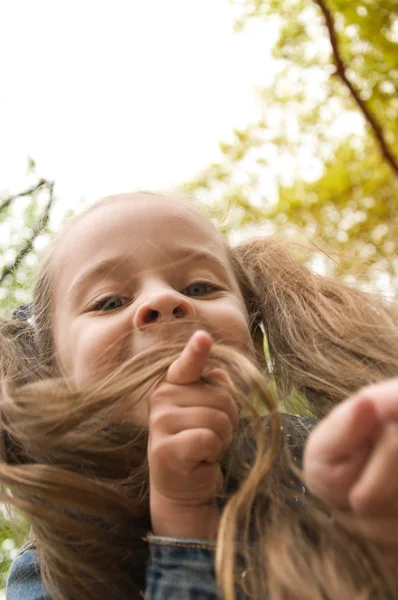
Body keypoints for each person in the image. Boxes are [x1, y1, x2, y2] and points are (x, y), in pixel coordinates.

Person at [0, 192, 397, 600]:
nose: (164, 300)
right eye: (110, 302)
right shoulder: (53, 569)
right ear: (52, 377)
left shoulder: (327, 463)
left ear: (255, 347)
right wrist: (185, 522)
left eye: (201, 286)